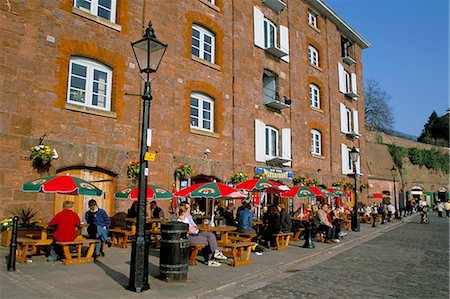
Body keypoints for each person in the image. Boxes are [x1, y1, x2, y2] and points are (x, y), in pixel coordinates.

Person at [176, 203, 227, 267]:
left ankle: (216, 252)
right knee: (208, 241)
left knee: (210, 235)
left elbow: (194, 226)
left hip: (196, 233)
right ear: (183, 213)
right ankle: (210, 259)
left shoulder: (186, 218)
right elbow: (187, 230)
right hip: (189, 237)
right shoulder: (179, 221)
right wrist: (191, 229)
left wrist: (193, 228)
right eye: (187, 210)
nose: (189, 210)